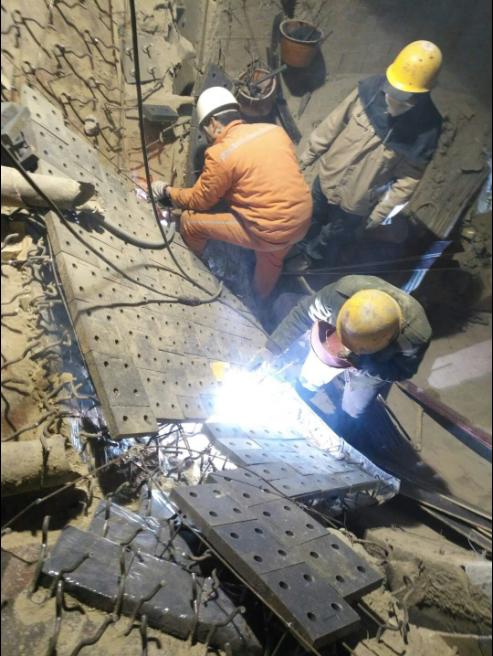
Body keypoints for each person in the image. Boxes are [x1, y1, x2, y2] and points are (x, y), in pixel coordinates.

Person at [285, 41, 444, 274]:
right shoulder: (369, 91)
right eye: (392, 91)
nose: (393, 99)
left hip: (357, 200)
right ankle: (298, 246)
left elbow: (408, 180)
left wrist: (380, 213)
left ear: (422, 94)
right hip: (329, 177)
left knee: (333, 235)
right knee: (312, 215)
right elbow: (333, 125)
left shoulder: (426, 129)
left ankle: (311, 257)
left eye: (403, 98)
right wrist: (306, 157)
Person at [151, 86, 312, 298]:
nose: (207, 137)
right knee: (272, 256)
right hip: (301, 222)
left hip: (268, 229)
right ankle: (259, 298)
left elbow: (200, 200)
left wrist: (167, 191)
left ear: (213, 123)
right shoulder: (274, 131)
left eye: (205, 131)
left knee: (190, 223)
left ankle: (199, 270)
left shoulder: (220, 154)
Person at [250, 275, 432, 435]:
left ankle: (345, 431)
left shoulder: (414, 336)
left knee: (354, 410)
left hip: (373, 364)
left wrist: (365, 367)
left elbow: (401, 371)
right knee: (311, 377)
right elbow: (303, 315)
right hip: (339, 343)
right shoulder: (341, 294)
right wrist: (270, 350)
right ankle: (304, 391)